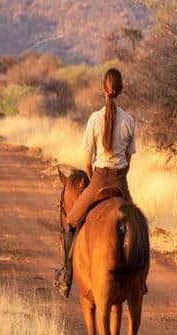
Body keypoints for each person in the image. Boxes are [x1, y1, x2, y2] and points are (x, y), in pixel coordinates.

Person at [54, 68, 137, 298]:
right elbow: (128, 160)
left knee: (71, 221)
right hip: (121, 182)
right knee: (138, 227)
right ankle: (139, 280)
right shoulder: (129, 121)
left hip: (98, 179)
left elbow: (86, 162)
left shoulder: (94, 119)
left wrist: (93, 181)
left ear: (104, 89)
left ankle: (67, 275)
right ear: (120, 90)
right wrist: (120, 175)